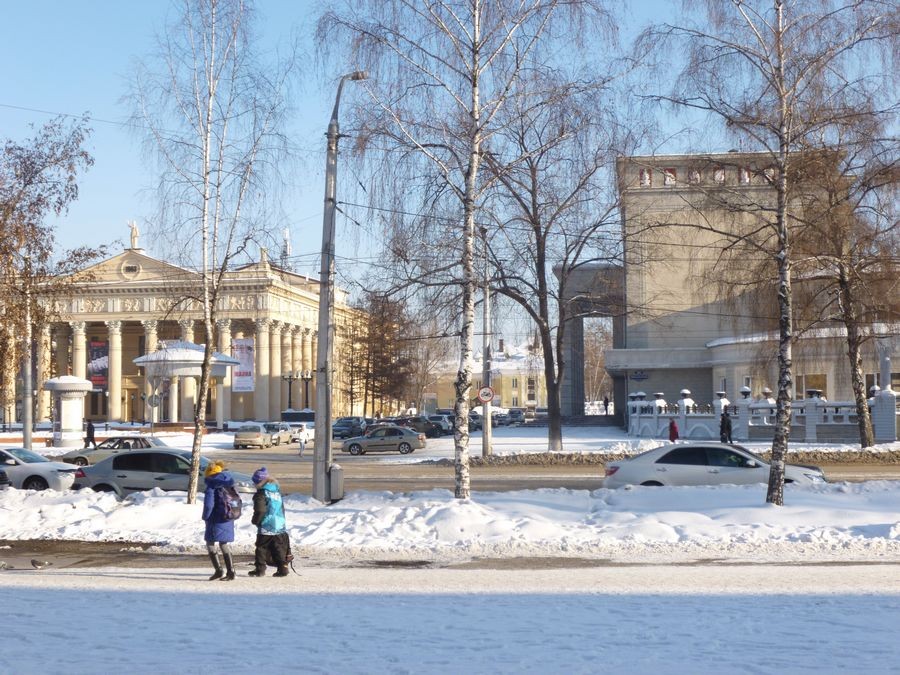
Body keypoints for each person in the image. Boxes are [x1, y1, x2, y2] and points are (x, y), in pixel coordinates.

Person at [249, 467, 292, 578]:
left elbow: (260, 510)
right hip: (279, 524)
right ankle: (283, 569)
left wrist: (256, 520)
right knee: (278, 547)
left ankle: (260, 569)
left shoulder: (261, 494)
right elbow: (281, 508)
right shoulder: (276, 491)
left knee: (261, 548)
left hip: (266, 525)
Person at [202, 460, 237, 581]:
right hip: (228, 517)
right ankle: (231, 571)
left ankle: (219, 570)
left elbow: (208, 505)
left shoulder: (212, 485)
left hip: (215, 519)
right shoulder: (228, 483)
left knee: (210, 543)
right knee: (224, 543)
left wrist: (205, 517)